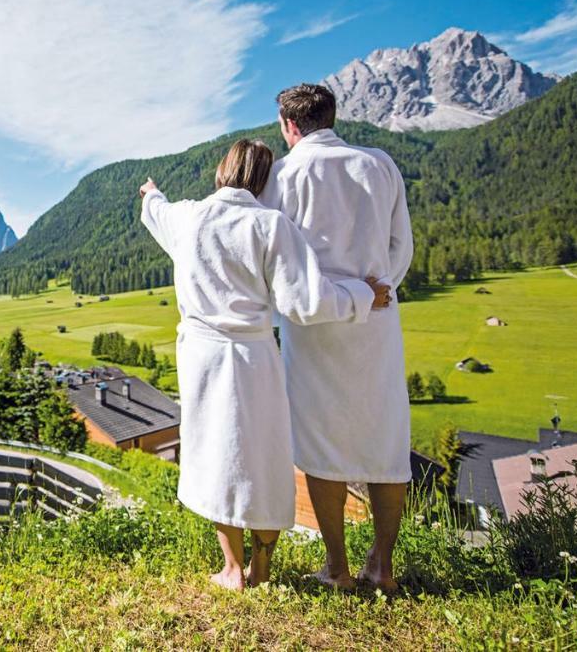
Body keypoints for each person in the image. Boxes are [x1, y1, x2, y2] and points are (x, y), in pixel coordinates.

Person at [139, 139, 391, 591]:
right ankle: (262, 567)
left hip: (201, 358)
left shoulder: (189, 216)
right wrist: (362, 295)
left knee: (218, 454)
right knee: (261, 457)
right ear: (264, 180)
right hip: (253, 357)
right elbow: (305, 300)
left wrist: (151, 192)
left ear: (221, 170)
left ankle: (232, 570)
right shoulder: (270, 225)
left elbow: (158, 211)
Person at [259, 83, 413, 593]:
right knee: (386, 440)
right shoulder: (379, 165)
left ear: (288, 126)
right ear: (332, 117)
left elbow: (270, 257)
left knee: (321, 442)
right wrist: (373, 291)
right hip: (377, 318)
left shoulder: (282, 174)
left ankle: (336, 566)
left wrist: (331, 293)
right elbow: (400, 246)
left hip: (314, 326)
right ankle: (382, 566)